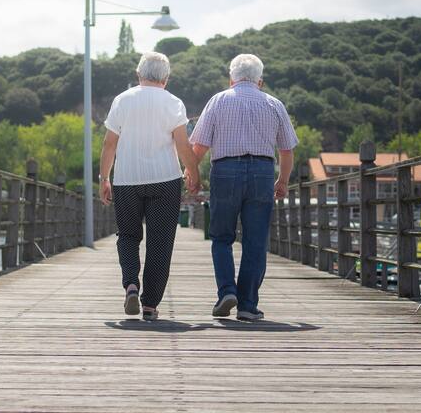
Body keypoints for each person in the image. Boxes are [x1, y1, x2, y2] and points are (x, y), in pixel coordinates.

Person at [189, 54, 298, 321]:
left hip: (225, 171)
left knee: (222, 237)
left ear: (231, 79)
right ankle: (248, 305)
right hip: (262, 172)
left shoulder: (218, 100)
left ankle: (227, 290)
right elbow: (286, 150)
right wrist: (282, 180)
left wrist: (191, 174)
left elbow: (199, 146)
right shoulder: (274, 104)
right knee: (255, 241)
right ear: (260, 81)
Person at [99, 51, 200, 321]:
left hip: (127, 179)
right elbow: (182, 143)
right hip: (165, 179)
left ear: (138, 75)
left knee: (128, 236)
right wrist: (193, 171)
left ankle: (131, 284)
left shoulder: (122, 100)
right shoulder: (174, 102)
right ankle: (150, 305)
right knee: (160, 242)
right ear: (166, 78)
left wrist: (104, 178)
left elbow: (110, 143)